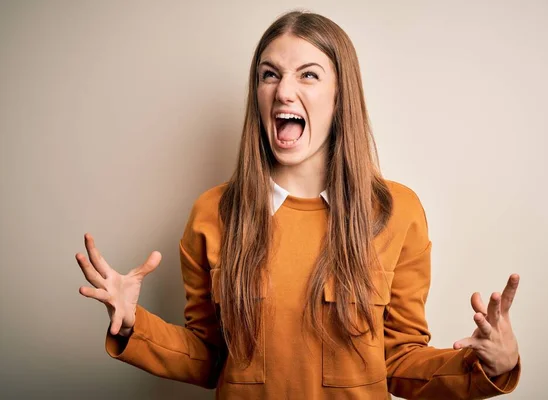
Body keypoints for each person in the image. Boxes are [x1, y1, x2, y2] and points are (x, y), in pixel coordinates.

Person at [76, 10, 521, 400]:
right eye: (270, 74)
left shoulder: (397, 212)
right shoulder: (211, 215)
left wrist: (489, 366)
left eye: (308, 74)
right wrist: (134, 323)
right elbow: (210, 360)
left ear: (340, 95)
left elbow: (400, 362)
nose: (284, 91)